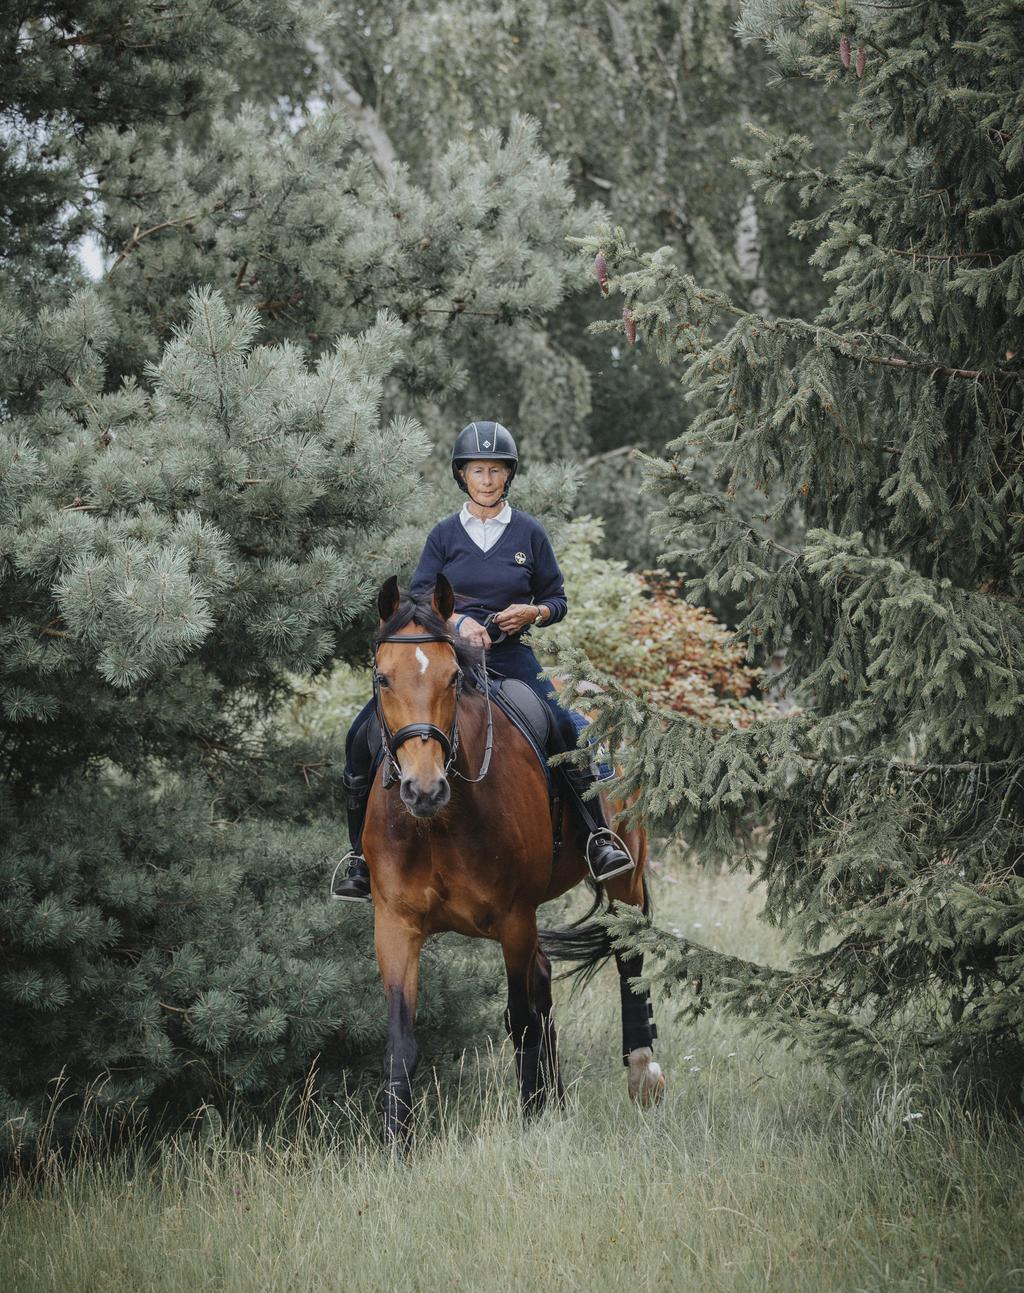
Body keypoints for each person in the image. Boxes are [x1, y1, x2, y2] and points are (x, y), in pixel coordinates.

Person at [332, 420, 633, 902]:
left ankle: (597, 838)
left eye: (495, 471)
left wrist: (532, 611)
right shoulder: (445, 535)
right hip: (450, 660)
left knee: (564, 725)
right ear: (462, 476)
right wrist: (454, 626)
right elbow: (420, 603)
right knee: (359, 735)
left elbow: (557, 599)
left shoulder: (530, 533)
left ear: (508, 476)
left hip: (511, 656)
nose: (487, 480)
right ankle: (359, 861)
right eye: (477, 471)